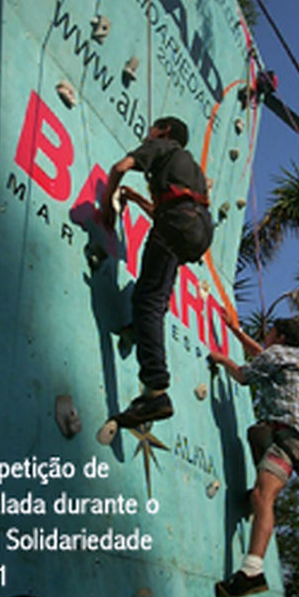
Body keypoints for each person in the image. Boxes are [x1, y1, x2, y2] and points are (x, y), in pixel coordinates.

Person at [100, 116, 213, 428]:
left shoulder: (160, 146)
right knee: (158, 294)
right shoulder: (191, 167)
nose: (148, 133)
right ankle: (142, 329)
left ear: (164, 131)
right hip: (199, 230)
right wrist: (137, 200)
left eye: (152, 128)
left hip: (178, 223)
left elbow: (119, 168)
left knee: (147, 300)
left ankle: (155, 391)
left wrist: (108, 206)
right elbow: (176, 206)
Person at [210, 312, 299, 597]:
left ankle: (252, 571)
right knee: (256, 433)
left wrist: (223, 360)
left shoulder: (278, 355)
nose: (266, 335)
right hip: (295, 438)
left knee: (263, 496)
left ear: (280, 337)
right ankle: (257, 499)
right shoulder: (287, 358)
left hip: (291, 437)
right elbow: (260, 354)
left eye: (270, 331)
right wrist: (236, 332)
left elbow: (244, 376)